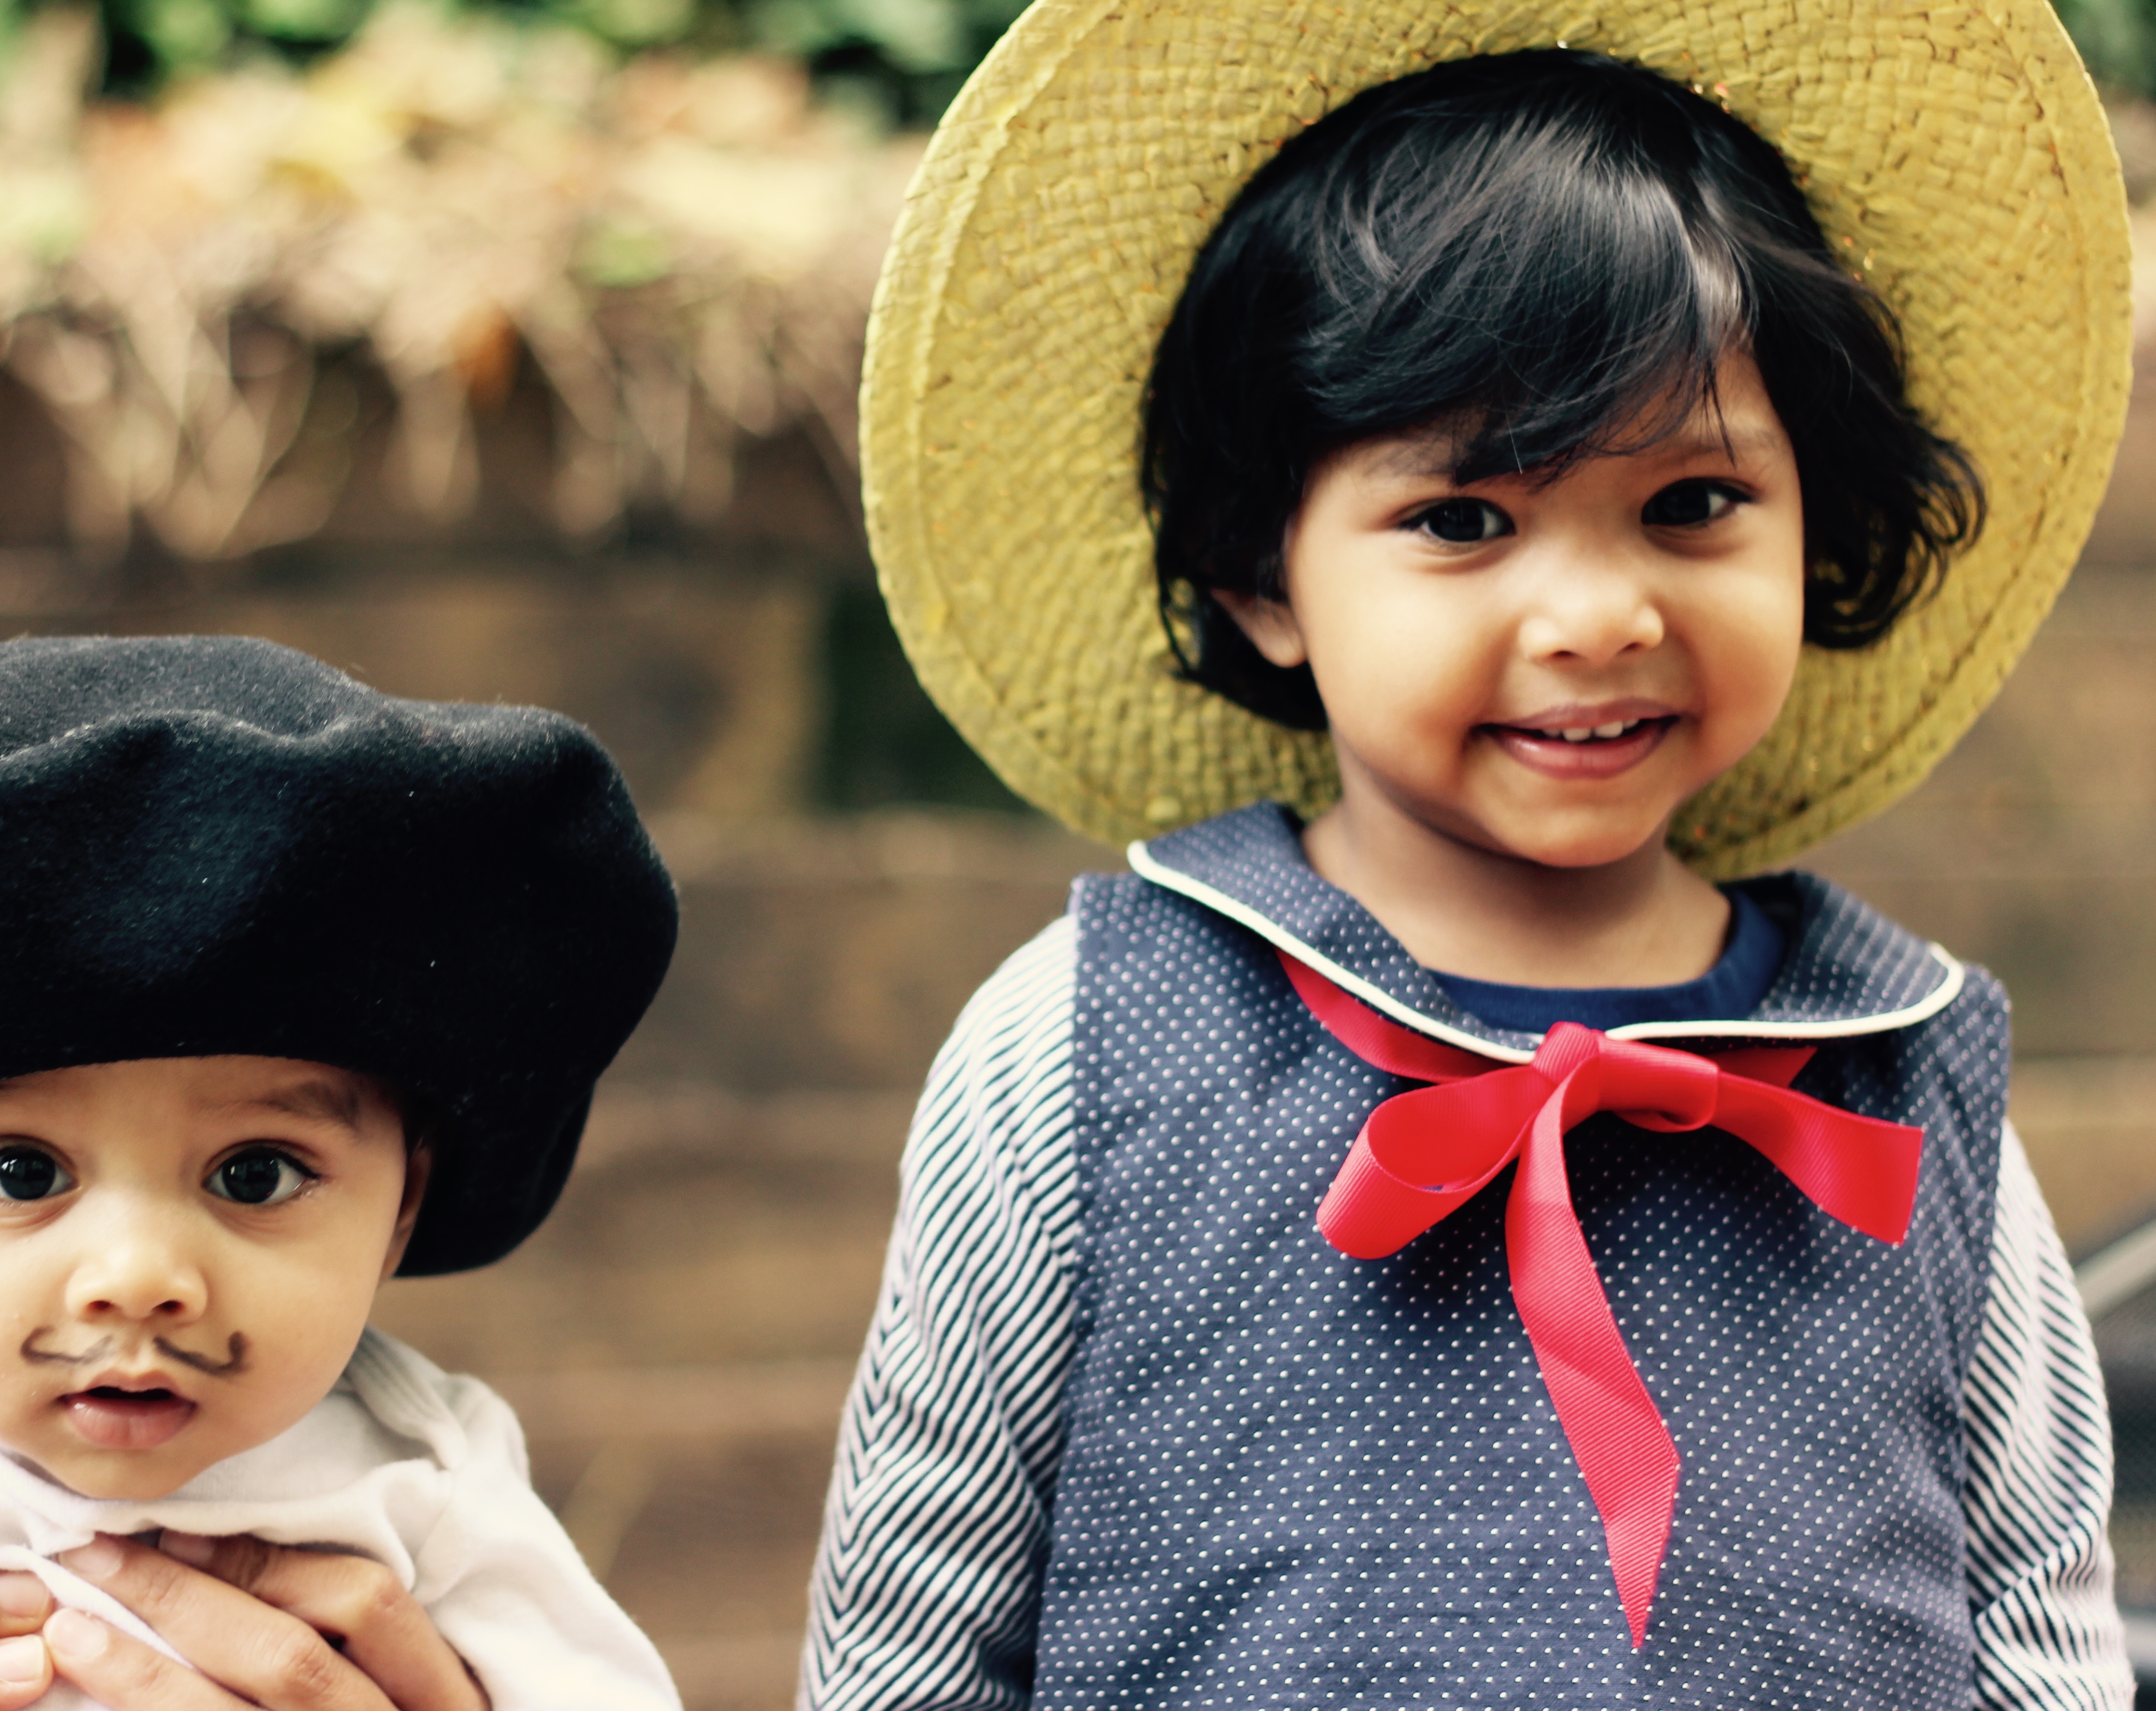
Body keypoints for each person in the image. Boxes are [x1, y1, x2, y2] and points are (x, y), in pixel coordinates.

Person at [806, 3, 2138, 1707]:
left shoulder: (1902, 1062)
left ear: (1821, 521)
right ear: (1259, 573)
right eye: (1461, 520)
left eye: (1692, 504)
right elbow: (914, 1621)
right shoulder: (1084, 1040)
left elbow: (2032, 1605)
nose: (1594, 614)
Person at [0, 634, 683, 1711]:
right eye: (22, 1174)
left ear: (402, 1205)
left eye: (256, 1175)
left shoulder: (424, 1475)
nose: (141, 1276)